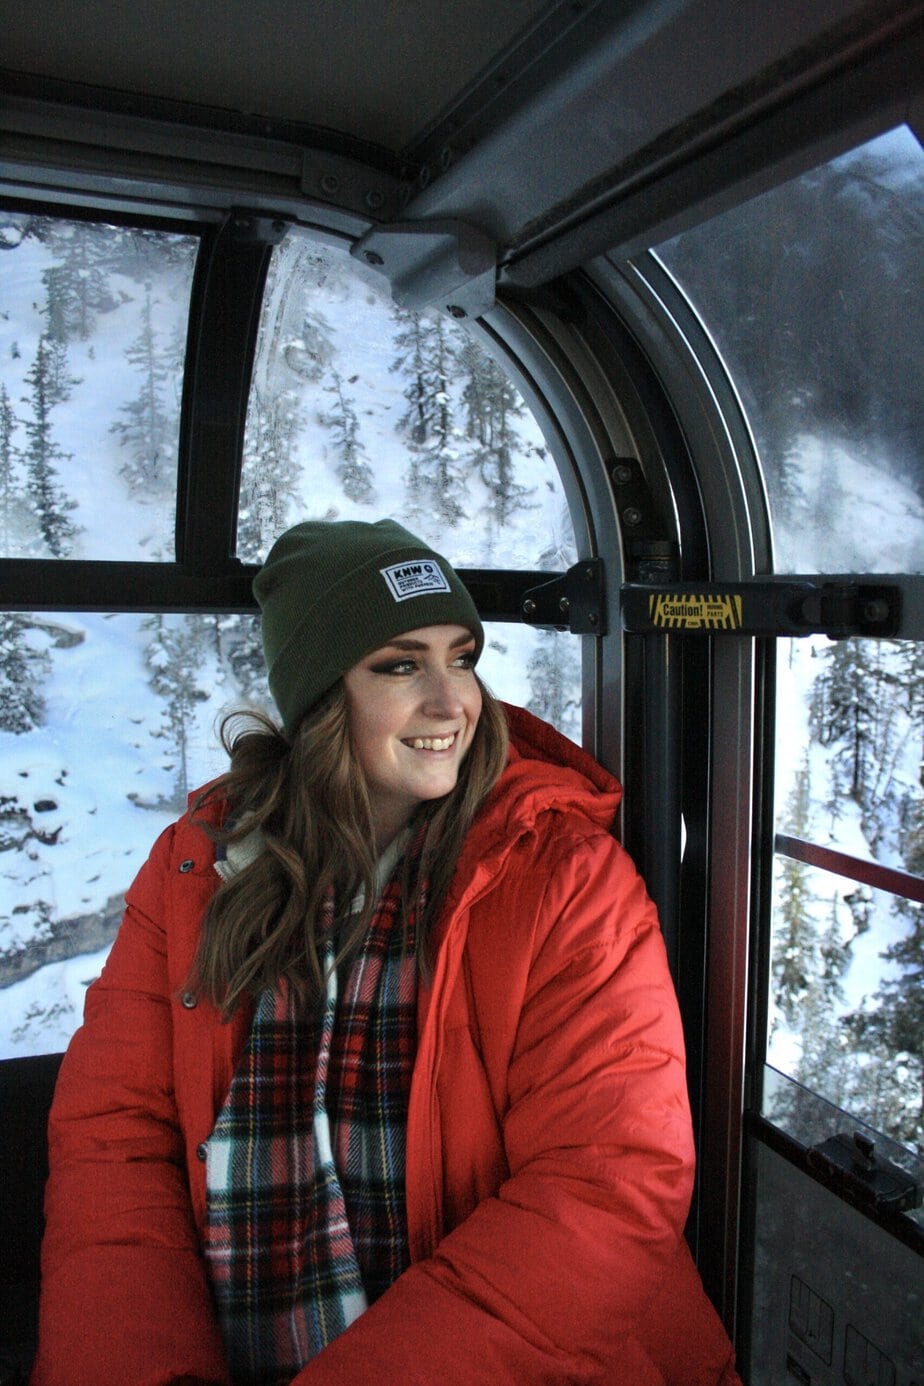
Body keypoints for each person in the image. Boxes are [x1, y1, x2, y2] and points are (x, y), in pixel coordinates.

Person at [32, 519, 741, 1386]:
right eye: (401, 665)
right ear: (323, 696)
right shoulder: (199, 868)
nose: (452, 703)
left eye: (463, 657)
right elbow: (117, 1138)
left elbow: (609, 1178)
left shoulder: (559, 876)